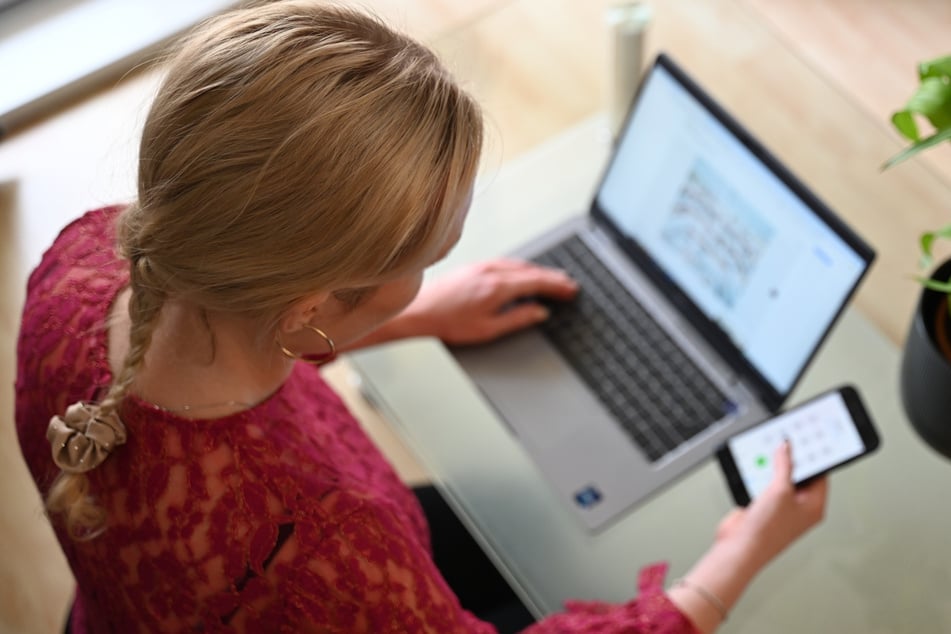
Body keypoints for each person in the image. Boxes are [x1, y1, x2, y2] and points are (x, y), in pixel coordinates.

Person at [14, 2, 827, 632]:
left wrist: (416, 312)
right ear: (309, 301)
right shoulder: (330, 542)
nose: (430, 269)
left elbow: (219, 337)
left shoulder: (87, 261)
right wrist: (729, 563)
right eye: (423, 259)